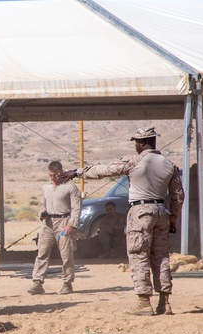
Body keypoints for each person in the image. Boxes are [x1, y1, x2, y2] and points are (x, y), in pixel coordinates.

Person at [58, 127, 184, 315]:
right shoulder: (169, 164)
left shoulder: (134, 161)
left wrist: (76, 172)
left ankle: (143, 302)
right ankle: (164, 302)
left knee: (138, 254)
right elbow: (178, 195)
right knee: (161, 257)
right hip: (161, 212)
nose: (135, 145)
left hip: (140, 212)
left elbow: (105, 170)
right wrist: (173, 218)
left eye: (136, 142)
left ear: (142, 143)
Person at [28, 160, 82, 295]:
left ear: (62, 172)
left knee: (66, 253)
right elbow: (41, 204)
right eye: (51, 175)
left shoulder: (71, 187)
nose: (53, 178)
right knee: (42, 252)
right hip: (48, 224)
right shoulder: (46, 187)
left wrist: (71, 224)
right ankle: (37, 282)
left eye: (56, 175)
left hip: (63, 223)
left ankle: (67, 283)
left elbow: (76, 208)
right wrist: (42, 213)